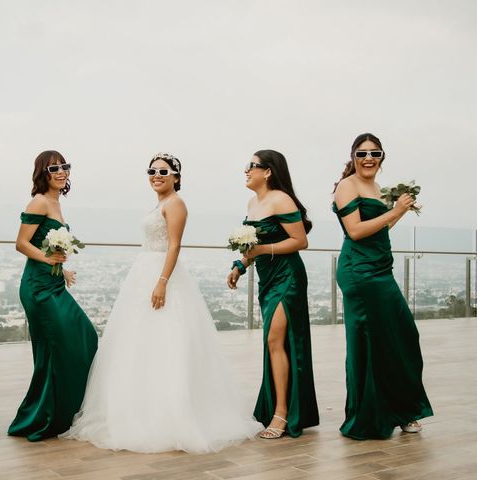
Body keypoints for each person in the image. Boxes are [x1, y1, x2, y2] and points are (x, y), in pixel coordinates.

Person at [61, 153, 262, 453]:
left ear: (176, 177)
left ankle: (171, 413)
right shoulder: (159, 203)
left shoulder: (176, 203)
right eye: (152, 171)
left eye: (164, 171)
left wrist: (162, 281)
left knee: (168, 340)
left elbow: (174, 244)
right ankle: (140, 407)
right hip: (143, 271)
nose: (157, 175)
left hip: (161, 274)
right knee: (140, 342)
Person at [332, 133, 433, 440]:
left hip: (381, 269)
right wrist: (397, 210)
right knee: (370, 342)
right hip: (359, 272)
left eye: (374, 153)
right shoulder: (346, 186)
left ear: (382, 158)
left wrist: (396, 213)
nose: (368, 158)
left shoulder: (376, 188)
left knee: (402, 335)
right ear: (352, 157)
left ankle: (401, 408)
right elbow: (356, 230)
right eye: (362, 153)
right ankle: (369, 415)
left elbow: (382, 226)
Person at [227, 150, 319, 439]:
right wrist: (240, 265)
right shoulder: (252, 203)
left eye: (251, 166)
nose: (246, 170)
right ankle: (280, 407)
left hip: (287, 276)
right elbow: (252, 244)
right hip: (267, 279)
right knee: (275, 343)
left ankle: (281, 413)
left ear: (267, 171)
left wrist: (262, 250)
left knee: (274, 339)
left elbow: (300, 240)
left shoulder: (281, 199)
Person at [8, 150, 98, 441]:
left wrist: (62, 270)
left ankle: (61, 412)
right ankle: (44, 417)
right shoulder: (39, 201)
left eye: (65, 166)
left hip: (53, 284)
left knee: (83, 337)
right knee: (55, 351)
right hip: (37, 288)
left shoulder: (56, 202)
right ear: (42, 173)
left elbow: (48, 248)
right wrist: (49, 262)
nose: (61, 172)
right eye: (53, 168)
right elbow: (21, 243)